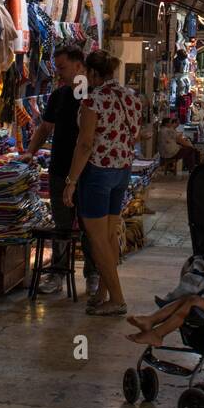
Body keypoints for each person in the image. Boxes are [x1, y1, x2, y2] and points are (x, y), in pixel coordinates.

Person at [62, 50, 141, 316]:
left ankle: (117, 300)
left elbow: (84, 145)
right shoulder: (131, 97)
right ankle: (103, 292)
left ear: (93, 73)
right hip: (122, 171)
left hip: (98, 173)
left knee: (97, 240)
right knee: (107, 237)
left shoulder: (93, 101)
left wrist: (71, 181)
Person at [22, 45, 98, 298]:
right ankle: (57, 273)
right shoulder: (59, 96)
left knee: (90, 226)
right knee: (62, 225)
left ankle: (93, 274)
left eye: (63, 68)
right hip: (60, 170)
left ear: (79, 66)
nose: (59, 74)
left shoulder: (95, 96)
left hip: (89, 172)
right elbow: (45, 128)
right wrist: (29, 152)